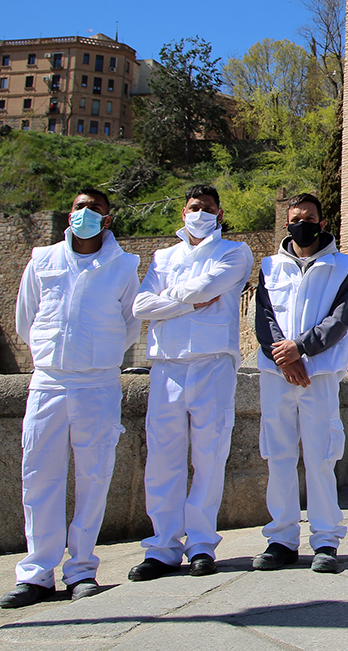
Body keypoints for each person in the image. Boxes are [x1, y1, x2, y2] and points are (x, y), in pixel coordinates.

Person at [0, 188, 140, 609]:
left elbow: (130, 322)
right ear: (69, 214)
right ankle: (37, 572)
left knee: (94, 475)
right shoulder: (42, 260)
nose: (85, 214)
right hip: (49, 379)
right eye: (80, 208)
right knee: (38, 473)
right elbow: (27, 317)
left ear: (107, 219)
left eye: (94, 209)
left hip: (97, 382)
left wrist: (96, 354)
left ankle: (81, 568)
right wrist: (53, 352)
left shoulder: (123, 266)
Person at [129, 184, 254, 581]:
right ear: (183, 212)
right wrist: (185, 302)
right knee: (162, 457)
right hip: (167, 363)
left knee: (208, 454)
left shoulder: (234, 252)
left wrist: (170, 300)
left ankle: (201, 543)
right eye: (193, 206)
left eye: (207, 207)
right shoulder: (164, 256)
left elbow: (207, 289)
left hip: (212, 360)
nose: (199, 212)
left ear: (219, 214)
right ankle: (162, 546)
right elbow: (140, 305)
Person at [251, 193, 348, 573]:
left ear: (322, 222)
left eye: (310, 217)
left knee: (320, 456)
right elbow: (263, 317)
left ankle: (326, 539)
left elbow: (339, 319)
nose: (303, 224)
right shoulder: (269, 267)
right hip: (277, 373)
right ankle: (280, 538)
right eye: (296, 218)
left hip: (319, 372)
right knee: (277, 454)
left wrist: (300, 349)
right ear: (287, 224)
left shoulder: (343, 266)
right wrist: (284, 358)